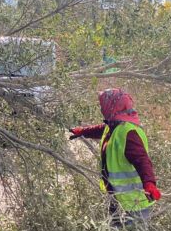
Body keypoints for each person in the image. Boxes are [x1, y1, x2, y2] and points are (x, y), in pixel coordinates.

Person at [69, 88, 161, 221]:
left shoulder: (128, 133)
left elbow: (142, 160)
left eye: (102, 105)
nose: (101, 108)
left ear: (111, 106)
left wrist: (150, 184)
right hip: (116, 199)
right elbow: (101, 129)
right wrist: (82, 131)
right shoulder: (114, 125)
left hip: (134, 204)